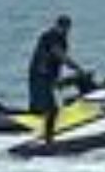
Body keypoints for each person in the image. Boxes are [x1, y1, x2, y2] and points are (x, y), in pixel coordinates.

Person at [27, 14, 90, 145]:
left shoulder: (61, 39)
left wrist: (74, 76)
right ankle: (48, 141)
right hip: (40, 77)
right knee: (51, 110)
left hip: (49, 78)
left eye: (67, 28)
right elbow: (59, 55)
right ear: (57, 26)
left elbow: (58, 61)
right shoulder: (51, 36)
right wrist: (77, 68)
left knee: (80, 80)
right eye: (62, 27)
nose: (65, 30)